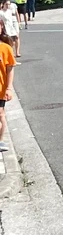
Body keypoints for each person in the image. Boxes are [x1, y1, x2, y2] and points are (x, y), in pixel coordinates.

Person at [0, 22, 16, 152]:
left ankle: (0, 140)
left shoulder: (5, 48)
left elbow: (10, 69)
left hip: (0, 89)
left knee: (0, 114)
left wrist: (9, 88)